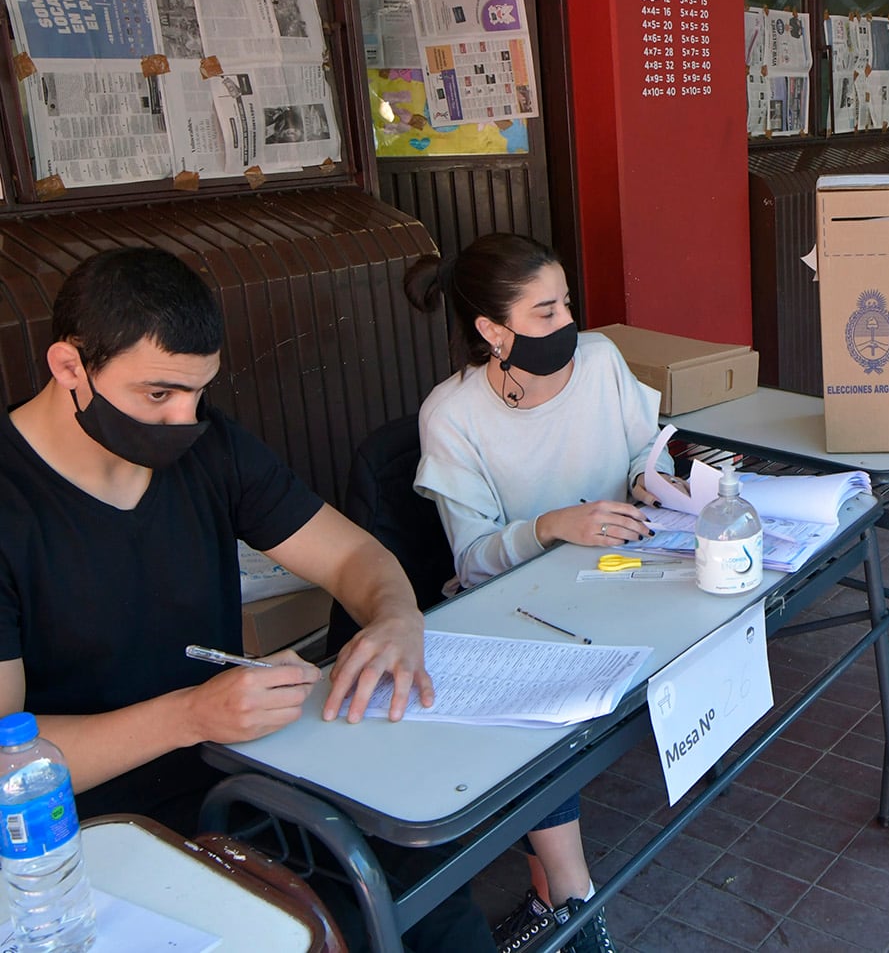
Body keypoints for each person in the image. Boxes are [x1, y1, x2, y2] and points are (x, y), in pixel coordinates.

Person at [0, 247, 491, 950]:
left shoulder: (209, 447)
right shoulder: (11, 505)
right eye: (158, 394)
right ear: (69, 367)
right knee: (327, 925)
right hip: (90, 832)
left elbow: (354, 554)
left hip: (241, 771)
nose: (185, 418)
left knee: (426, 877)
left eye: (199, 392)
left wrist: (395, 618)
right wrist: (191, 713)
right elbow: (5, 754)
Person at [406, 232, 674, 953]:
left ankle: (556, 897)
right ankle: (575, 901)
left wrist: (653, 480)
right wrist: (553, 525)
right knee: (536, 714)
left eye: (566, 306)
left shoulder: (601, 363)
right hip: (512, 608)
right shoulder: (452, 415)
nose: (569, 326)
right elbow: (474, 557)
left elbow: (639, 459)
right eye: (546, 312)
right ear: (494, 331)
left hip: (617, 575)